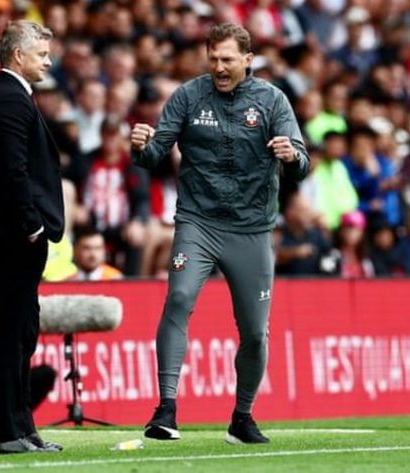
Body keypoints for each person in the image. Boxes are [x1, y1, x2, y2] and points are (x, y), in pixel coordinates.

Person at [130, 23, 309, 444]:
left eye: (227, 59)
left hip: (251, 229)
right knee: (178, 296)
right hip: (198, 221)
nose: (219, 67)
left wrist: (291, 155)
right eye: (213, 59)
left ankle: (242, 418)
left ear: (248, 59)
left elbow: (303, 159)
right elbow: (156, 154)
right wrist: (141, 145)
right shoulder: (189, 96)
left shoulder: (272, 100)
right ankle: (166, 408)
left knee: (253, 332)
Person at [0, 20, 64, 454]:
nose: (48, 60)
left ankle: (22, 427)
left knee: (22, 333)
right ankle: (7, 432)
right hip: (14, 239)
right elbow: (13, 171)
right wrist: (31, 225)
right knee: (10, 335)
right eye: (42, 53)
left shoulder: (14, 98)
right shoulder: (8, 99)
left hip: (16, 237)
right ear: (18, 56)